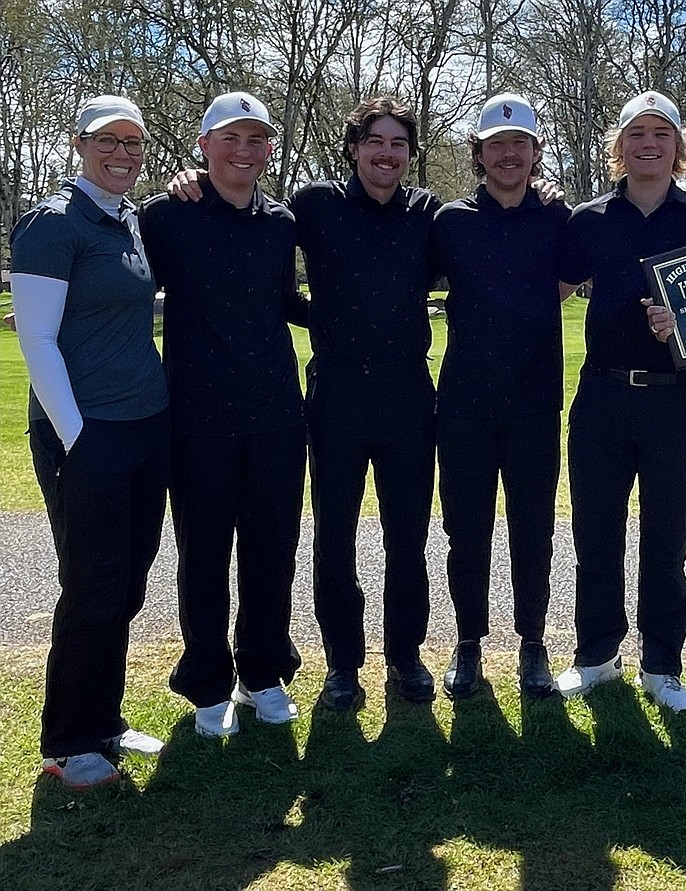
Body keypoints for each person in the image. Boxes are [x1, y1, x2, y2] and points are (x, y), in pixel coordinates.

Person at [171, 97, 441, 710]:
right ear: (353, 148)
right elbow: (255, 242)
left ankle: (406, 657)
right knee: (334, 537)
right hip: (336, 396)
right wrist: (193, 181)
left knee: (409, 536)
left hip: (406, 396)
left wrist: (541, 188)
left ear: (409, 155)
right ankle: (343, 664)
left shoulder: (428, 213)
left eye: (399, 144)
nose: (386, 153)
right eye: (375, 141)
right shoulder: (312, 208)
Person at [11, 95, 169, 789]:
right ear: (78, 144)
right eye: (109, 141)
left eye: (134, 144)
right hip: (86, 434)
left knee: (126, 581)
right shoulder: (53, 223)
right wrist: (79, 439)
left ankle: (103, 719)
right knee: (91, 583)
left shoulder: (126, 220)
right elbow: (37, 338)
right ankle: (68, 742)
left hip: (144, 425)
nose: (123, 154)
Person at [139, 92, 306, 738]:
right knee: (203, 555)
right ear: (204, 146)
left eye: (256, 139)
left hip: (275, 417)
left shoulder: (281, 222)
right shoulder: (165, 215)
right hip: (196, 418)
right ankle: (208, 682)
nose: (244, 150)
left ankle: (263, 673)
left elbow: (286, 299)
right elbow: (119, 283)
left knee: (272, 551)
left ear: (269, 149)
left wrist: (371, 326)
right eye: (230, 138)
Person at [554, 91, 686, 713]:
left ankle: (663, 664)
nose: (648, 143)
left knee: (666, 539)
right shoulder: (588, 219)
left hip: (673, 401)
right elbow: (551, 289)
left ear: (679, 147)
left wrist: (681, 333)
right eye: (636, 133)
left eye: (661, 133)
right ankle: (597, 655)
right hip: (601, 395)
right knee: (597, 532)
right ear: (618, 147)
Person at [429, 93, 570, 698]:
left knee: (533, 527)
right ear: (478, 155)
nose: (508, 155)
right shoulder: (450, 221)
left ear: (536, 152)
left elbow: (578, 275)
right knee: (467, 528)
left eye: (520, 144)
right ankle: (467, 645)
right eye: (495, 145)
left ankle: (533, 644)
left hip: (535, 401)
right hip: (464, 402)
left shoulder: (560, 219)